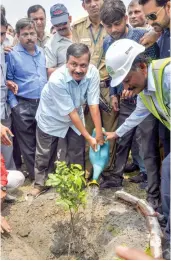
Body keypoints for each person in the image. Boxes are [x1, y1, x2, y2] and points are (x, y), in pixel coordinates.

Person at [30, 43, 104, 197]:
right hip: (51, 116)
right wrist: (88, 136)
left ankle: (75, 182)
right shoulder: (56, 79)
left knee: (76, 150)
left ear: (89, 64)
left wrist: (98, 134)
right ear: (66, 63)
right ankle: (41, 184)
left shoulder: (93, 73)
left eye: (83, 65)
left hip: (75, 114)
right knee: (45, 152)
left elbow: (93, 104)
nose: (78, 70)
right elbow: (71, 113)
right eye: (74, 64)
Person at [104, 39, 170, 212]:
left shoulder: (168, 76)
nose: (126, 87)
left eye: (127, 80)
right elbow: (138, 115)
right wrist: (116, 134)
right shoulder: (144, 92)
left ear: (142, 67)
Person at [100, 0, 159, 189]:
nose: (113, 30)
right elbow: (113, 72)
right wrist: (115, 94)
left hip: (148, 97)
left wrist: (136, 82)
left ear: (125, 19)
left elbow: (152, 63)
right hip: (126, 99)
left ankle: (149, 178)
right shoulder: (107, 42)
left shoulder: (143, 36)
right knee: (123, 138)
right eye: (108, 26)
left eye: (116, 24)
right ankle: (116, 176)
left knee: (146, 140)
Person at [72, 0, 118, 177]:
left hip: (107, 86)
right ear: (83, 5)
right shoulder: (77, 27)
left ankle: (106, 169)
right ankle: (88, 170)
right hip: (86, 86)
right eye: (88, 1)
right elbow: (75, 56)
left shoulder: (113, 23)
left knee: (109, 128)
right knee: (88, 127)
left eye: (96, 0)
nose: (93, 4)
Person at [6, 18, 47, 180]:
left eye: (32, 33)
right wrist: (15, 105)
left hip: (42, 104)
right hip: (22, 104)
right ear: (18, 35)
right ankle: (36, 177)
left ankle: (44, 174)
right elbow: (7, 81)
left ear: (37, 34)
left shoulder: (41, 52)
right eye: (25, 34)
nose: (29, 37)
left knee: (43, 142)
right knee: (28, 144)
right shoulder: (12, 54)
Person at [139, 0, 170, 159]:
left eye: (152, 16)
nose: (150, 23)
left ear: (169, 7)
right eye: (147, 18)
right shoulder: (163, 33)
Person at [0, 13, 17, 170]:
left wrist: (6, 83)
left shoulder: (2, 51)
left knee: (7, 151)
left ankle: (5, 188)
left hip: (4, 110)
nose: (0, 38)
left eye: (2, 34)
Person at [44, 4, 72, 78]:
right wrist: (71, 68)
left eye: (63, 23)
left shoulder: (81, 31)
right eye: (57, 25)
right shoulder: (50, 45)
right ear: (52, 24)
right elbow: (49, 72)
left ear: (70, 19)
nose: (61, 27)